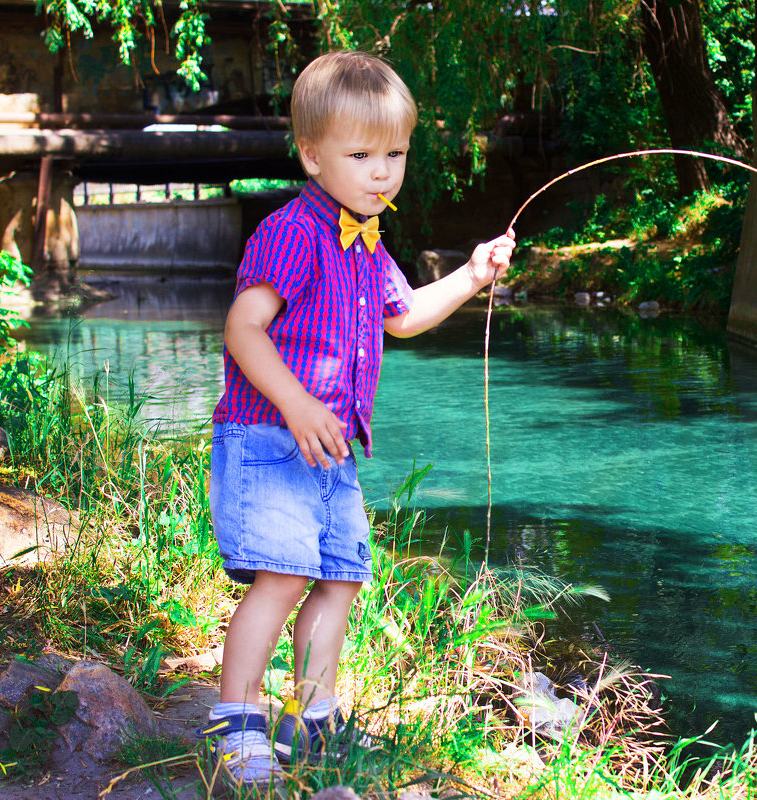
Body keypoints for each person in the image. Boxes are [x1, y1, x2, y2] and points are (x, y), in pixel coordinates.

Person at [198, 50, 516, 785]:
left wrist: (472, 275)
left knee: (339, 580)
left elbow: (402, 319)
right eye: (362, 154)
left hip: (332, 451)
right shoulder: (292, 232)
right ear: (312, 155)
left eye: (395, 154)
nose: (383, 172)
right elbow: (243, 329)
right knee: (279, 578)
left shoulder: (367, 242)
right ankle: (238, 720)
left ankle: (310, 717)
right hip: (269, 436)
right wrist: (297, 401)